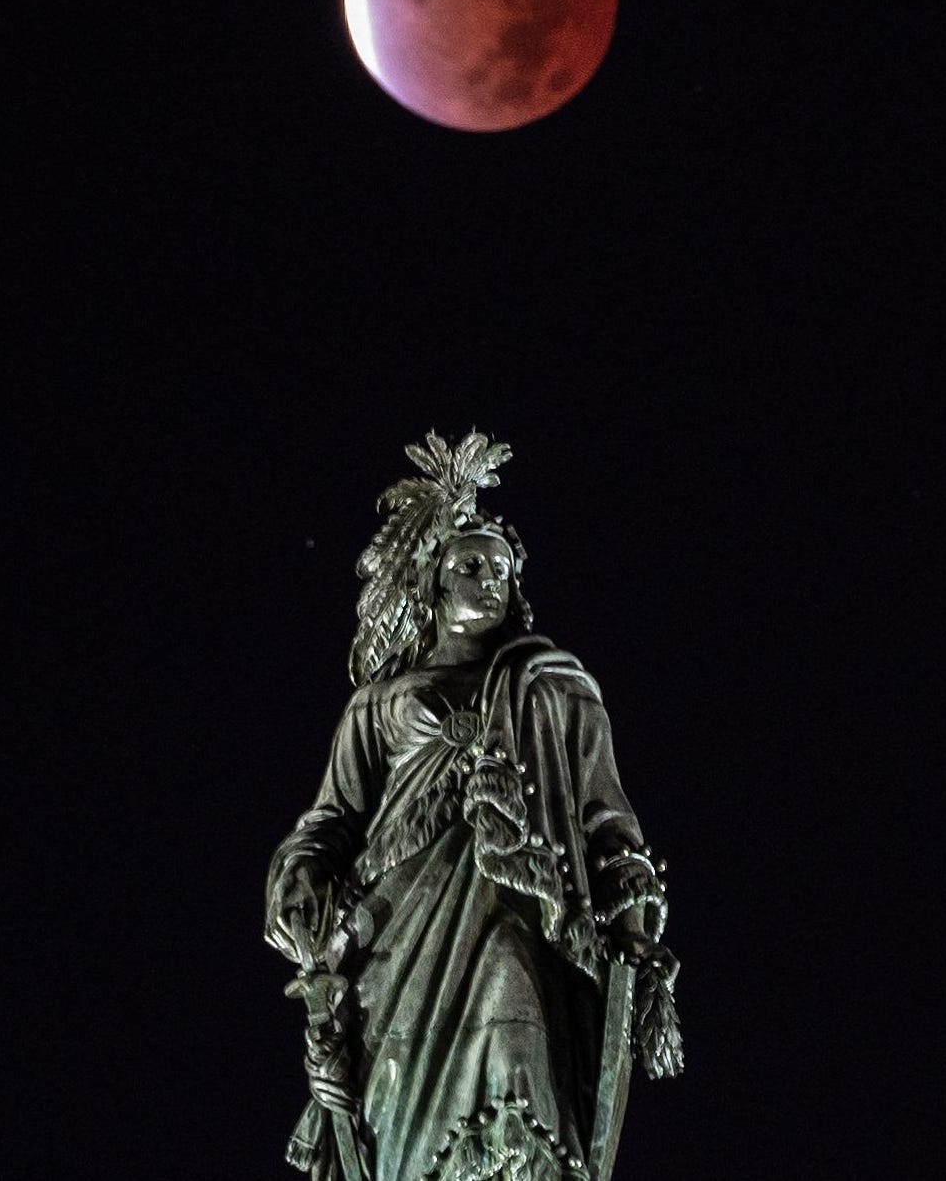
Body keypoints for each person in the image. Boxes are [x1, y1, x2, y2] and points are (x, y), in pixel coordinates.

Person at [265, 434, 680, 1181]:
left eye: (500, 569)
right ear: (429, 584)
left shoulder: (556, 690)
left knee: (513, 1018)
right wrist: (300, 892)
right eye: (467, 567)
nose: (486, 581)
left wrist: (635, 924)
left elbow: (607, 820)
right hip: (396, 938)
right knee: (400, 1128)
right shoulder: (376, 708)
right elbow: (329, 822)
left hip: (524, 923)